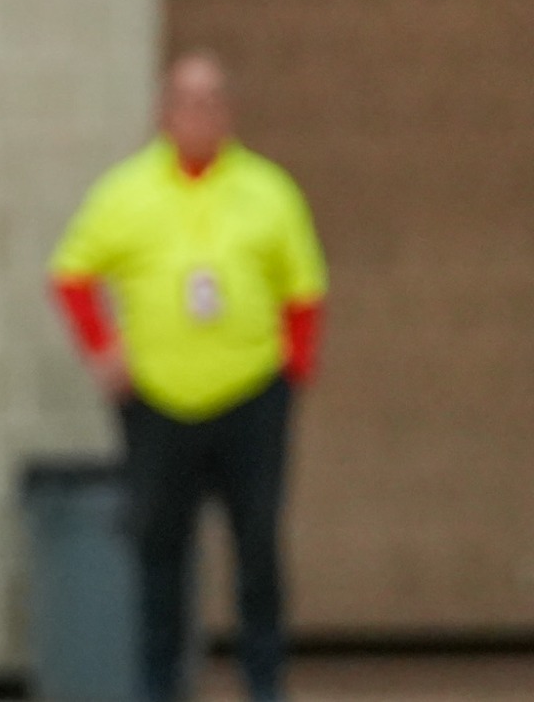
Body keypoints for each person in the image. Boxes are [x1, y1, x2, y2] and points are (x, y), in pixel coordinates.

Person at [49, 53, 328, 702]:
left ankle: (264, 681)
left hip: (250, 395)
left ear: (227, 112)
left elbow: (305, 288)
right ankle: (159, 683)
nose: (199, 114)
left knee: (257, 544)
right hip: (157, 401)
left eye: (211, 101)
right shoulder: (125, 191)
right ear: (164, 112)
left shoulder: (269, 190)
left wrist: (294, 373)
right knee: (159, 551)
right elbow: (71, 273)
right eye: (186, 101)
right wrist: (103, 347)